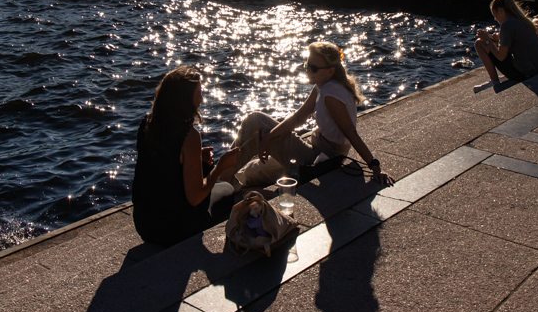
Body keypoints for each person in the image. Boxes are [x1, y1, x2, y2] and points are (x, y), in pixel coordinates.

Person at [224, 41, 394, 188]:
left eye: (313, 68)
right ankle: (226, 180)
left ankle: (217, 179)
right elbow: (299, 117)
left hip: (317, 160)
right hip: (313, 148)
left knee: (255, 120)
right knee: (252, 171)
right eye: (306, 65)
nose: (308, 71)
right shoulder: (323, 84)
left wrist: (374, 166)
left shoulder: (330, 94)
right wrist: (268, 137)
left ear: (330, 70)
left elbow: (351, 133)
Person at [131, 66, 241, 246]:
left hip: (144, 225)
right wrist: (221, 165)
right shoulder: (189, 136)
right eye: (199, 93)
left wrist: (195, 157)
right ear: (185, 100)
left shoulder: (147, 123)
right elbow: (195, 197)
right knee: (226, 190)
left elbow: (163, 165)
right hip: (173, 230)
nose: (202, 99)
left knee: (215, 186)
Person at [473, 0, 538, 93]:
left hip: (526, 73)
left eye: (495, 15)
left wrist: (486, 39)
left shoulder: (507, 24)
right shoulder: (521, 20)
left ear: (500, 10)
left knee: (479, 43)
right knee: (491, 44)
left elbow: (500, 56)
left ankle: (494, 81)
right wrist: (498, 39)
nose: (495, 19)